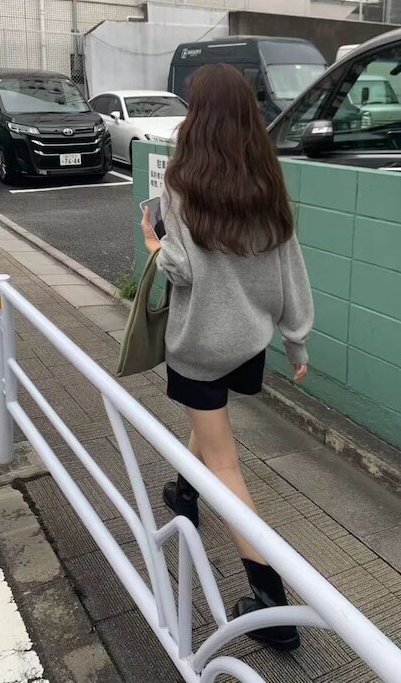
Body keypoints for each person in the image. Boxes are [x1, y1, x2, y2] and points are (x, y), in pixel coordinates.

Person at [141, 63, 313, 652]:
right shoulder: (267, 184)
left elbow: (182, 270)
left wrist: (153, 239)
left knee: (226, 463)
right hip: (249, 342)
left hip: (199, 345)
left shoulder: (182, 182)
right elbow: (290, 267)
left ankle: (272, 605)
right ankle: (185, 494)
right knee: (209, 424)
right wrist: (296, 338)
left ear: (199, 117)